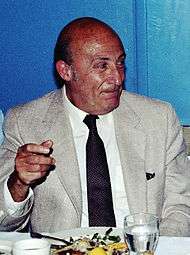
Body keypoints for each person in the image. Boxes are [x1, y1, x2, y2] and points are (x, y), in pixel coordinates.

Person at [0, 17, 190, 236]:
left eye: (120, 63)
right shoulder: (25, 122)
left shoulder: (158, 118)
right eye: (102, 66)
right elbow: (5, 223)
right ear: (66, 71)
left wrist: (157, 250)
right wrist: (19, 183)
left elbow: (181, 207)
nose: (117, 78)